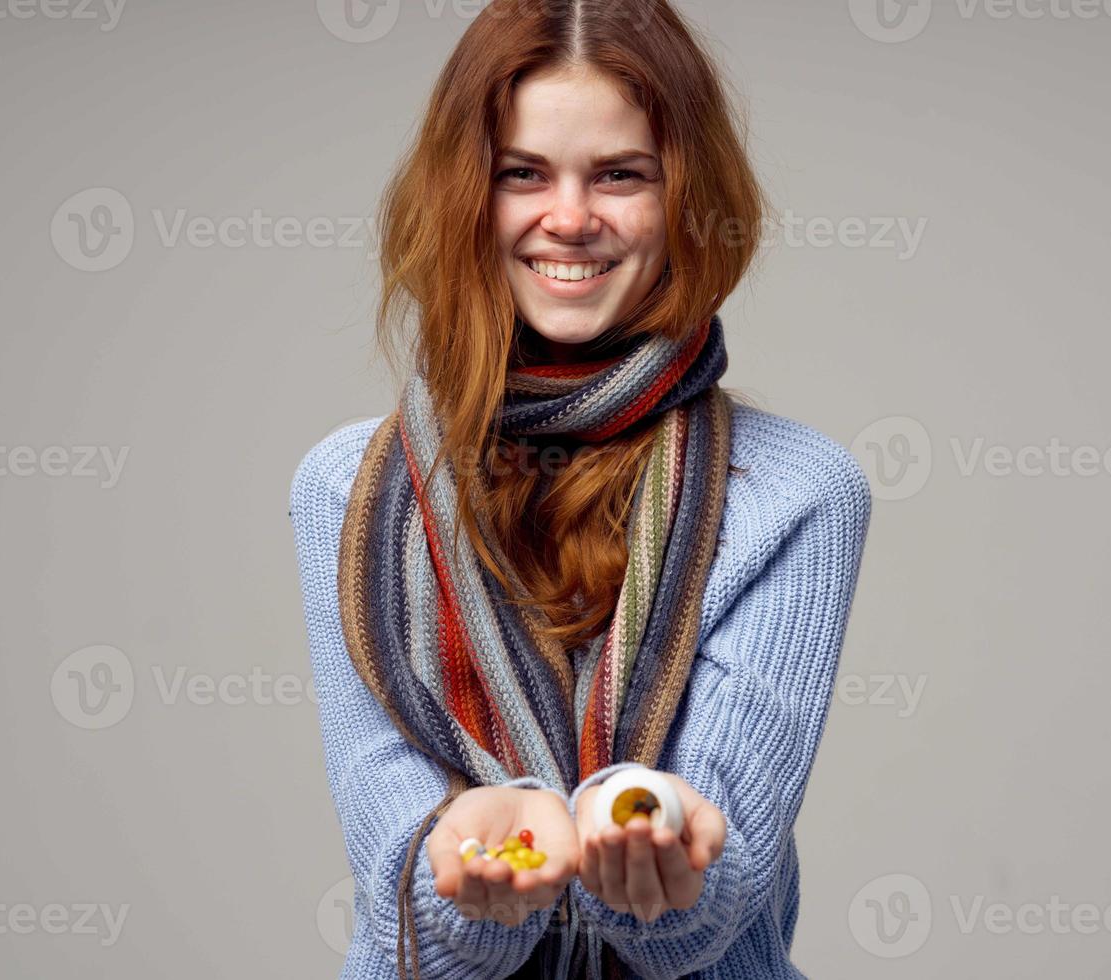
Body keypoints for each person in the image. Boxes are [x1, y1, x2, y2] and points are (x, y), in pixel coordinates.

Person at [289, 1, 872, 977]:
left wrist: (651, 846)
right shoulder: (345, 487)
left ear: (686, 198)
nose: (570, 216)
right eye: (523, 173)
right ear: (467, 194)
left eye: (620, 174)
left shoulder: (796, 491)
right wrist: (471, 849)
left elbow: (713, 908)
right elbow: (402, 882)